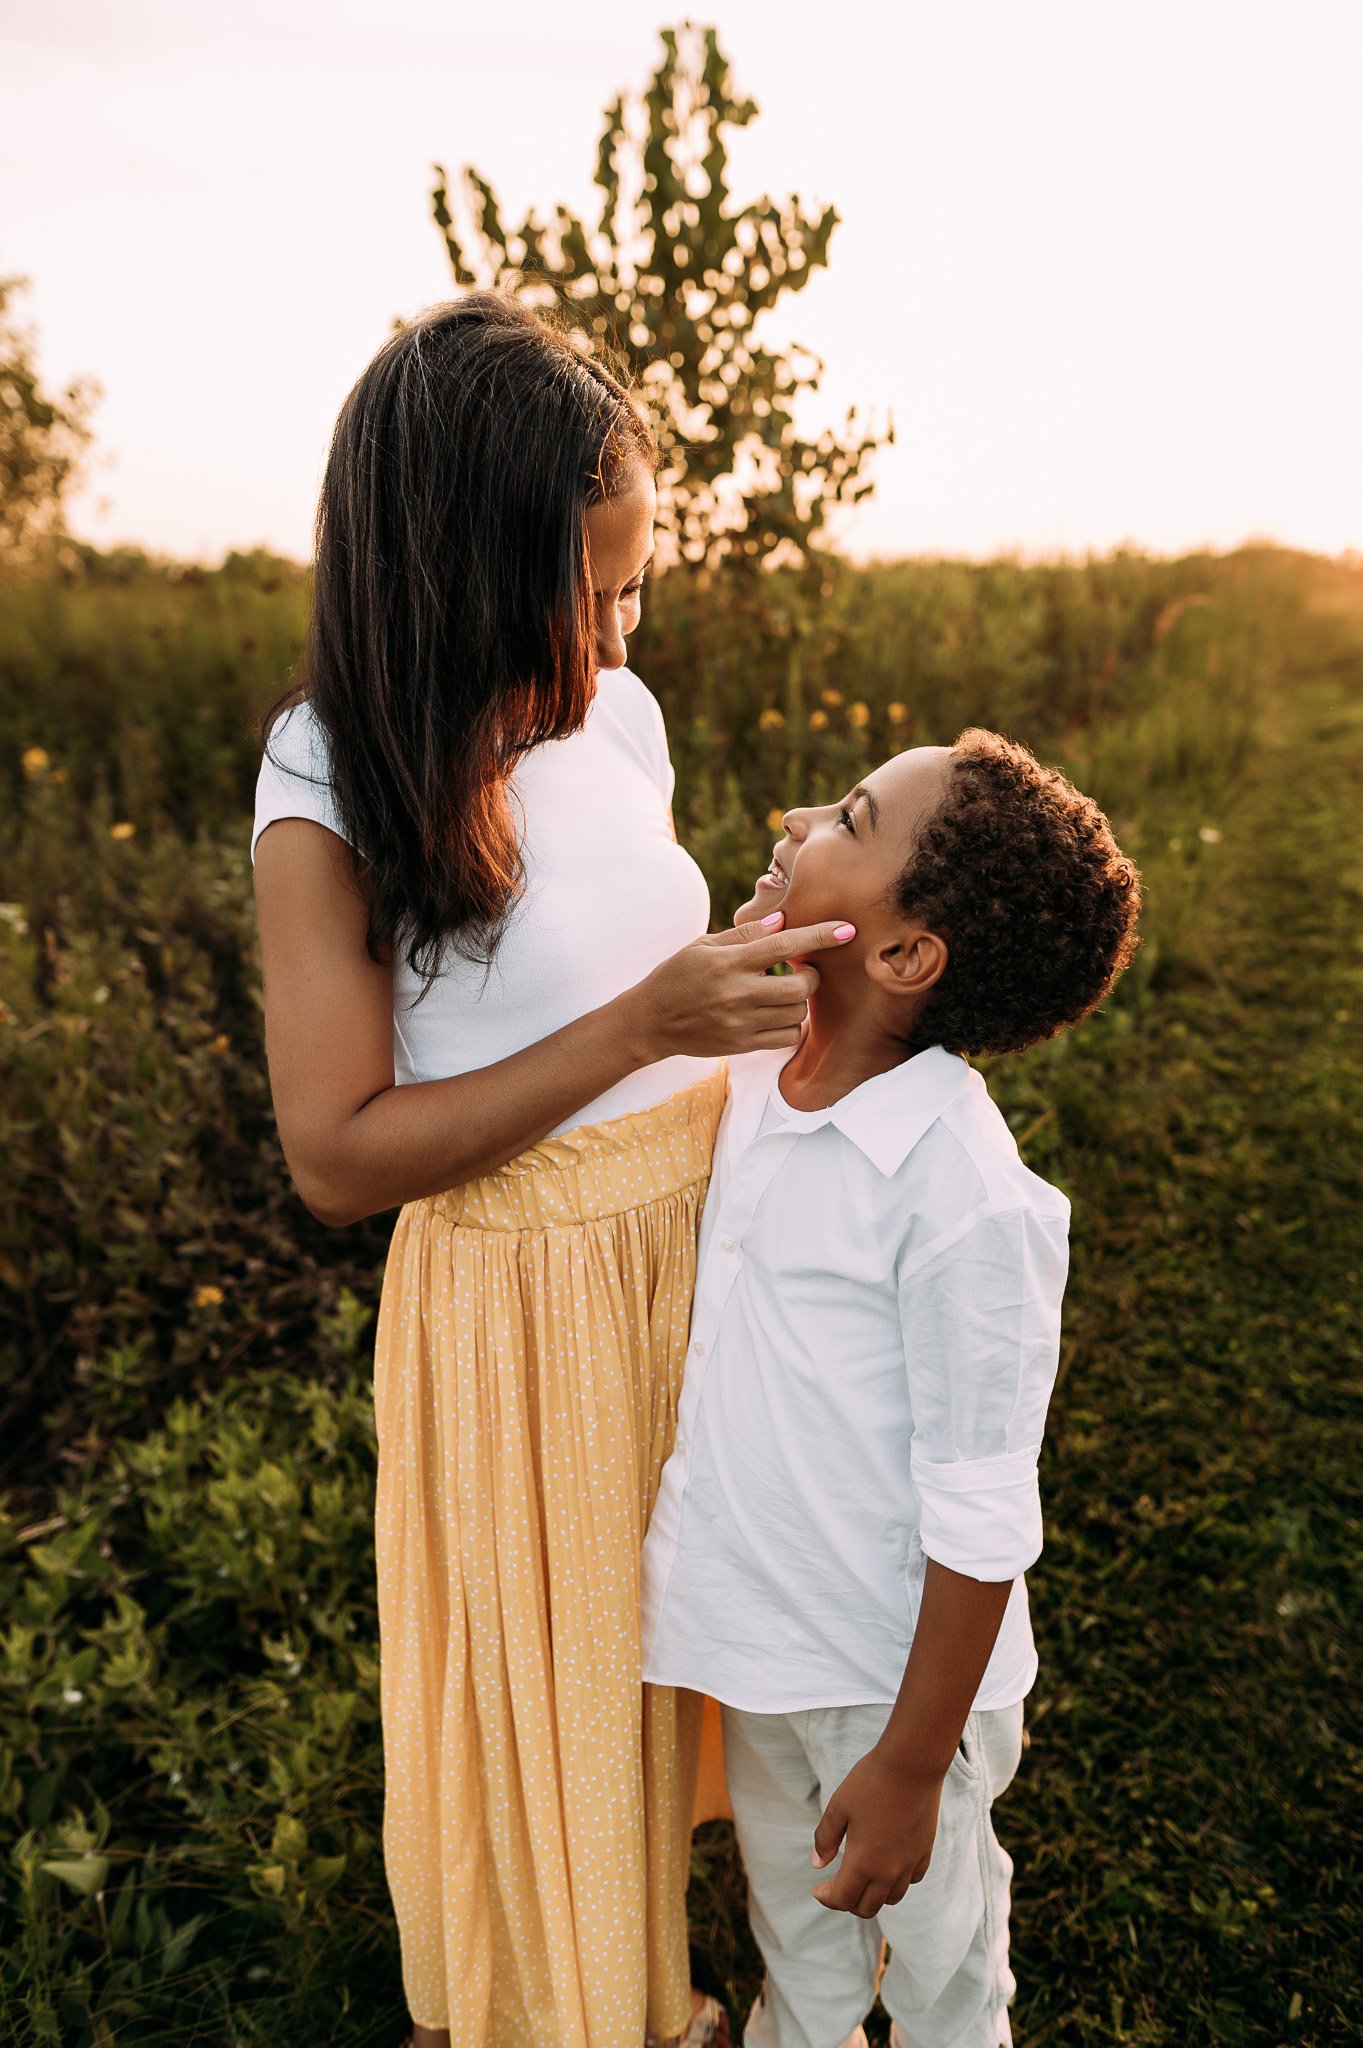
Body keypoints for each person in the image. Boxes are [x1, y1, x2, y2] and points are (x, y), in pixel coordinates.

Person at [250, 292, 856, 2048]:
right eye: (580, 592)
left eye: (635, 585)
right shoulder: (332, 778)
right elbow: (336, 1156)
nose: (612, 631)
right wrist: (643, 1031)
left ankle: (760, 1966)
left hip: (699, 1260)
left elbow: (620, 975)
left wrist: (746, 963)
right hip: (530, 1321)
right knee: (567, 1733)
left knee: (709, 1681)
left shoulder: (622, 721)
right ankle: (606, 2014)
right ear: (454, 569)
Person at [641, 731, 1142, 2048]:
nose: (799, 814)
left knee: (939, 1980)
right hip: (761, 1644)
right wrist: (767, 935)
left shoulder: (958, 1189)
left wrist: (915, 1765)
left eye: (848, 817)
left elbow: (981, 1511)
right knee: (795, 1943)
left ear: (908, 954)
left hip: (894, 1681)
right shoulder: (753, 1072)